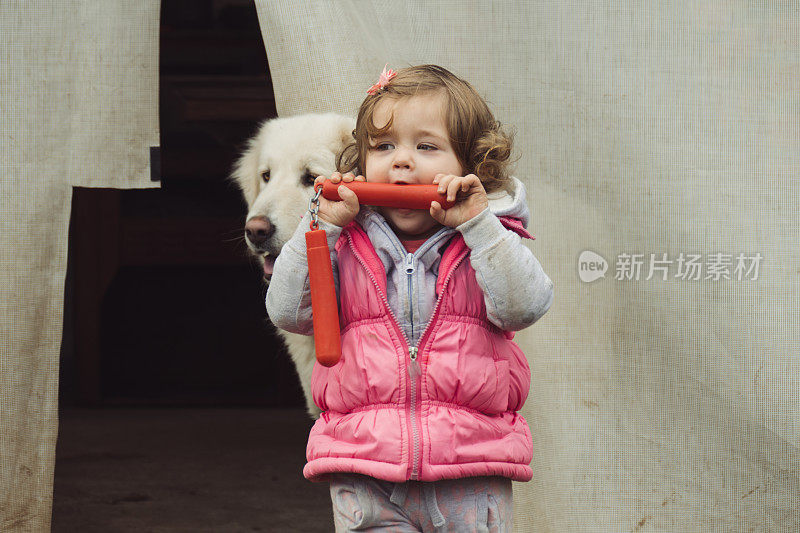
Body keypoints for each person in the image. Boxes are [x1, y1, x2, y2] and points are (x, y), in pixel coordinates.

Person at [266, 64, 554, 532]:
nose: (401, 161)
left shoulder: (486, 237)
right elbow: (287, 310)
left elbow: (526, 304)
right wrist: (320, 225)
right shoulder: (341, 240)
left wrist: (479, 225)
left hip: (470, 470)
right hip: (367, 473)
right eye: (383, 146)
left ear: (469, 166)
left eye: (426, 146)